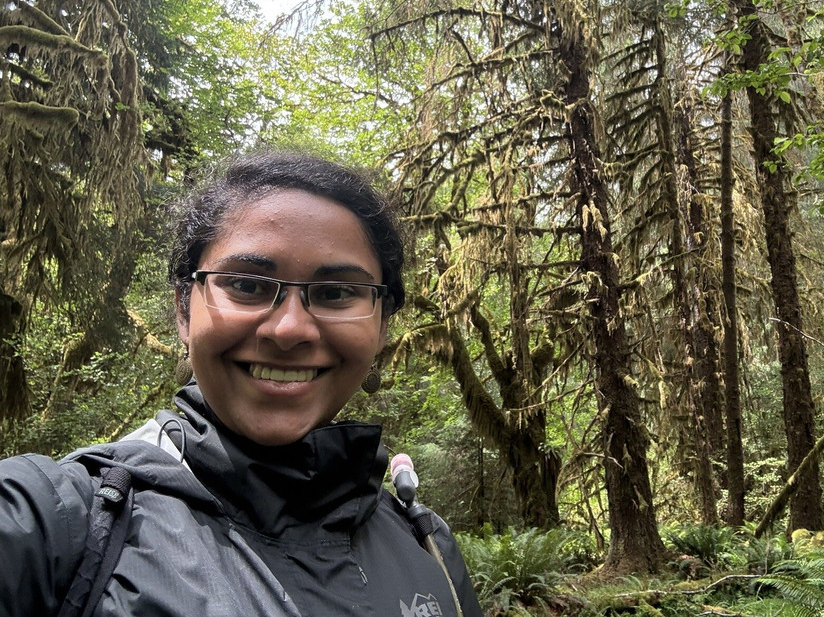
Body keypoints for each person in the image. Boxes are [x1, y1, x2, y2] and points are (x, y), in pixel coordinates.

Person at [0, 151, 483, 617]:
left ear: (381, 327)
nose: (290, 330)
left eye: (336, 293)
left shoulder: (428, 548)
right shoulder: (63, 522)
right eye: (248, 285)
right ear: (184, 310)